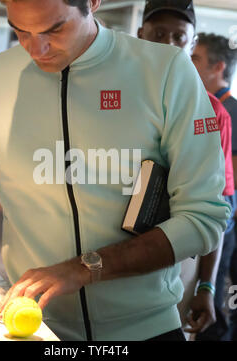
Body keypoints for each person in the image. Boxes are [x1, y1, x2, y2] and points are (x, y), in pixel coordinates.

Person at [0, 0, 230, 341]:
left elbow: (204, 217)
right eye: (21, 31)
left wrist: (84, 268)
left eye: (54, 29)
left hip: (145, 328)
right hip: (32, 325)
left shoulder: (166, 72)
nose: (37, 48)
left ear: (92, 3)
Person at [138, 0, 235, 337]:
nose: (168, 44)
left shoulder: (212, 113)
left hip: (176, 258)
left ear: (191, 44)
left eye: (178, 37)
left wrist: (207, 287)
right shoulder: (111, 98)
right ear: (140, 36)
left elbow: (217, 206)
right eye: (159, 33)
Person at [192, 32, 237, 340]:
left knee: (216, 288)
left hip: (225, 209)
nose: (189, 62)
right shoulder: (194, 103)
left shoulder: (229, 110)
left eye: (196, 58)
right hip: (214, 204)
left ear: (218, 67)